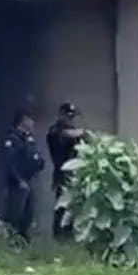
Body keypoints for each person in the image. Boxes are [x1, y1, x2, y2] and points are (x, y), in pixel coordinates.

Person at [1, 108, 45, 242]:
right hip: (18, 184)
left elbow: (34, 157)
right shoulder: (12, 138)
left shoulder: (29, 138)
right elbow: (9, 163)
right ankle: (11, 243)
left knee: (28, 215)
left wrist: (39, 164)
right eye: (30, 120)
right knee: (15, 215)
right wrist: (19, 181)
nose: (33, 123)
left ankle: (24, 243)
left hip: (30, 181)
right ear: (23, 120)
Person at [46, 102, 87, 238]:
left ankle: (68, 237)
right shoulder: (55, 131)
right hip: (63, 173)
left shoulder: (72, 133)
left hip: (73, 173)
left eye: (72, 117)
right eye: (68, 116)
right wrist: (79, 133)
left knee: (72, 208)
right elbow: (62, 134)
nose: (70, 120)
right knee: (62, 207)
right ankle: (59, 237)